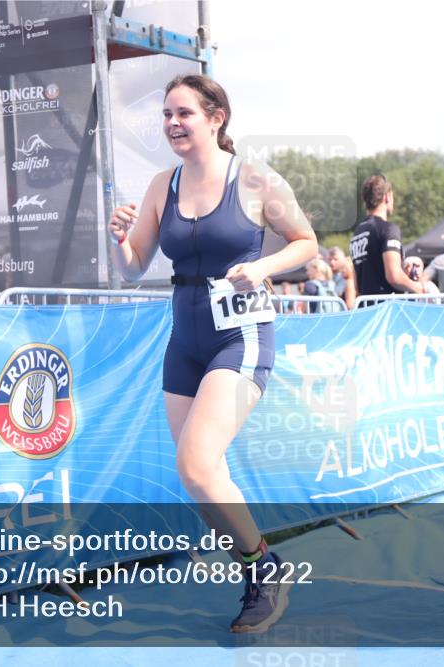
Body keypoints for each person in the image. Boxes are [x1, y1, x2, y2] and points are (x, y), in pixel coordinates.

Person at [108, 74, 317, 633]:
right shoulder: (162, 185)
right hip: (185, 342)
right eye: (167, 116)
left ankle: (264, 569)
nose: (173, 124)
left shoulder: (253, 178)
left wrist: (264, 267)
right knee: (202, 475)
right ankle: (257, 569)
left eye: (185, 114)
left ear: (216, 117)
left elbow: (306, 241)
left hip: (239, 336)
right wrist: (119, 236)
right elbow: (132, 269)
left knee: (196, 466)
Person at [349, 175, 425, 303]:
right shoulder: (388, 229)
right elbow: (394, 276)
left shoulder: (357, 233)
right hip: (387, 310)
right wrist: (419, 288)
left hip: (365, 307)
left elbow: (357, 284)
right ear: (387, 197)